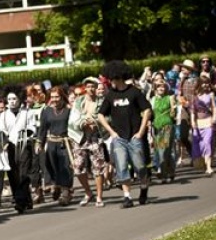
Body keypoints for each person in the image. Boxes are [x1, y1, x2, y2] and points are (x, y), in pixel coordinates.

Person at [98, 60, 152, 208]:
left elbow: (147, 110)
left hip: (134, 136)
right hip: (119, 139)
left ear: (117, 78)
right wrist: (112, 132)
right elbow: (100, 115)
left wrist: (141, 132)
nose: (110, 82)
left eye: (111, 79)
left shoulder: (134, 92)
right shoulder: (110, 96)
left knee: (140, 167)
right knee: (121, 166)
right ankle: (127, 197)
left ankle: (144, 188)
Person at [0, 89, 35, 213]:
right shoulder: (3, 115)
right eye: (9, 99)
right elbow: (1, 130)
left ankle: (21, 201)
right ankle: (24, 199)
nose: (12, 102)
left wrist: (26, 134)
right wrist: (1, 140)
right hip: (10, 146)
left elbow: (33, 127)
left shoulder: (28, 113)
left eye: (14, 99)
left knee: (24, 173)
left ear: (20, 99)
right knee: (13, 174)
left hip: (24, 145)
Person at [68, 77, 107, 206]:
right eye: (88, 86)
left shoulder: (102, 102)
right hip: (80, 138)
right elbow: (73, 118)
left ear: (97, 88)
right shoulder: (79, 101)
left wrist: (96, 122)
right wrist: (83, 122)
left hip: (95, 137)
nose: (91, 89)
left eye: (93, 86)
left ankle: (99, 197)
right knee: (78, 167)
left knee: (98, 167)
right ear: (85, 88)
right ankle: (88, 192)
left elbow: (108, 117)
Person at [38, 85, 74, 206]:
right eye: (52, 97)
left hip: (65, 143)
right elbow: (42, 128)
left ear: (62, 97)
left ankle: (66, 192)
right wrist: (40, 143)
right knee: (53, 167)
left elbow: (74, 127)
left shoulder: (69, 110)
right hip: (51, 142)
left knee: (66, 167)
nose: (54, 99)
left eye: (57, 96)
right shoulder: (47, 111)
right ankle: (57, 186)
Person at [149, 79, 177, 183]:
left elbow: (174, 112)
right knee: (165, 151)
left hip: (167, 126)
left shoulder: (169, 98)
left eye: (163, 86)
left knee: (163, 150)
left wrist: (174, 110)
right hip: (156, 127)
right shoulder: (152, 99)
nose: (161, 88)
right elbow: (150, 113)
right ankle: (171, 171)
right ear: (155, 89)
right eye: (159, 87)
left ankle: (164, 174)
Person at [190, 77, 216, 176]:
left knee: (207, 143)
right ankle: (204, 165)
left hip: (208, 122)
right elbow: (193, 111)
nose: (205, 85)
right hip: (198, 123)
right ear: (200, 84)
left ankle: (209, 167)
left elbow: (214, 107)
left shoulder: (211, 95)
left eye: (207, 83)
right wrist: (193, 122)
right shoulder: (195, 97)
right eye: (203, 83)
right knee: (200, 145)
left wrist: (214, 117)